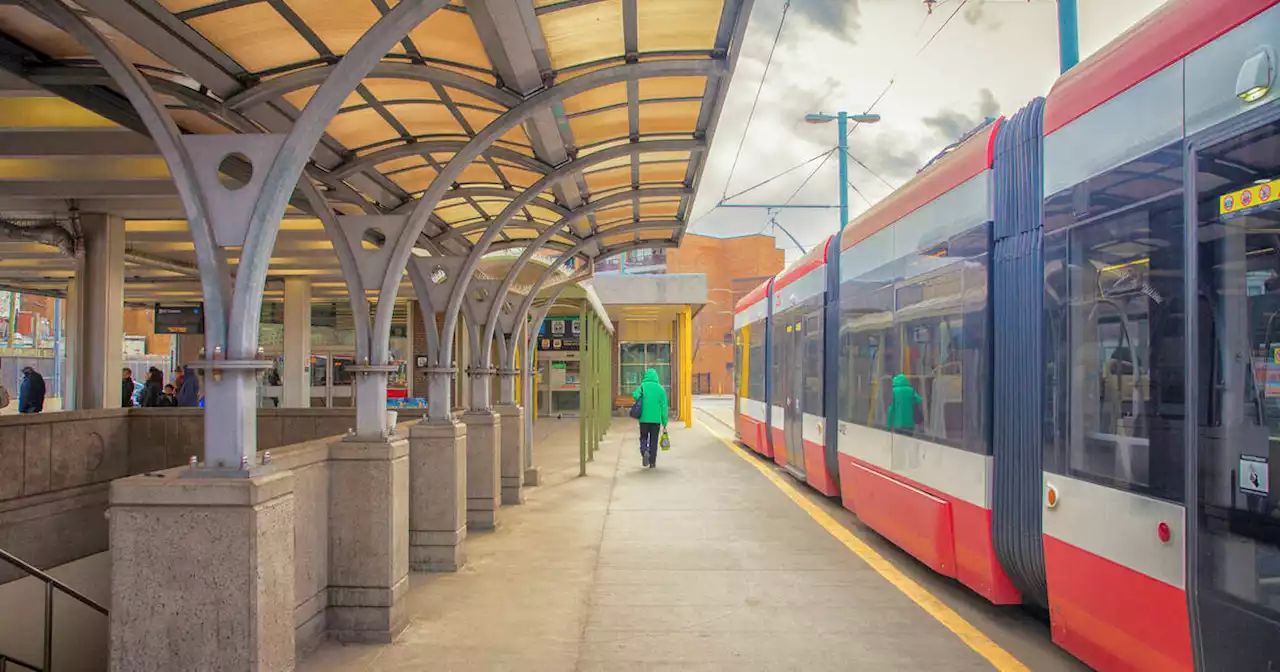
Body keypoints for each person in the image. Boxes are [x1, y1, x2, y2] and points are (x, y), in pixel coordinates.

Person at [631, 368, 669, 468]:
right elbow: (664, 407)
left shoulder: (643, 386)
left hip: (644, 419)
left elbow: (634, 395)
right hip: (656, 420)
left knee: (643, 437)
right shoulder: (661, 389)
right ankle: (652, 462)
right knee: (654, 440)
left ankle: (644, 451)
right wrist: (665, 422)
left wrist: (642, 395)